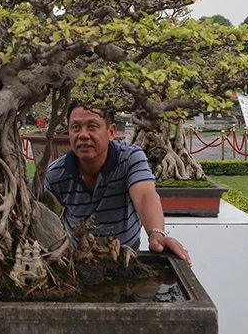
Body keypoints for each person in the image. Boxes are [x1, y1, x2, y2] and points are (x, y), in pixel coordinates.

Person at [44, 102, 192, 266]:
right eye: (76, 127)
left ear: (111, 132)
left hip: (125, 251)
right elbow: (48, 217)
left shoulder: (130, 158)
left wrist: (156, 234)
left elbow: (144, 195)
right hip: (78, 258)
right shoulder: (55, 174)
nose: (83, 135)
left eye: (92, 127)